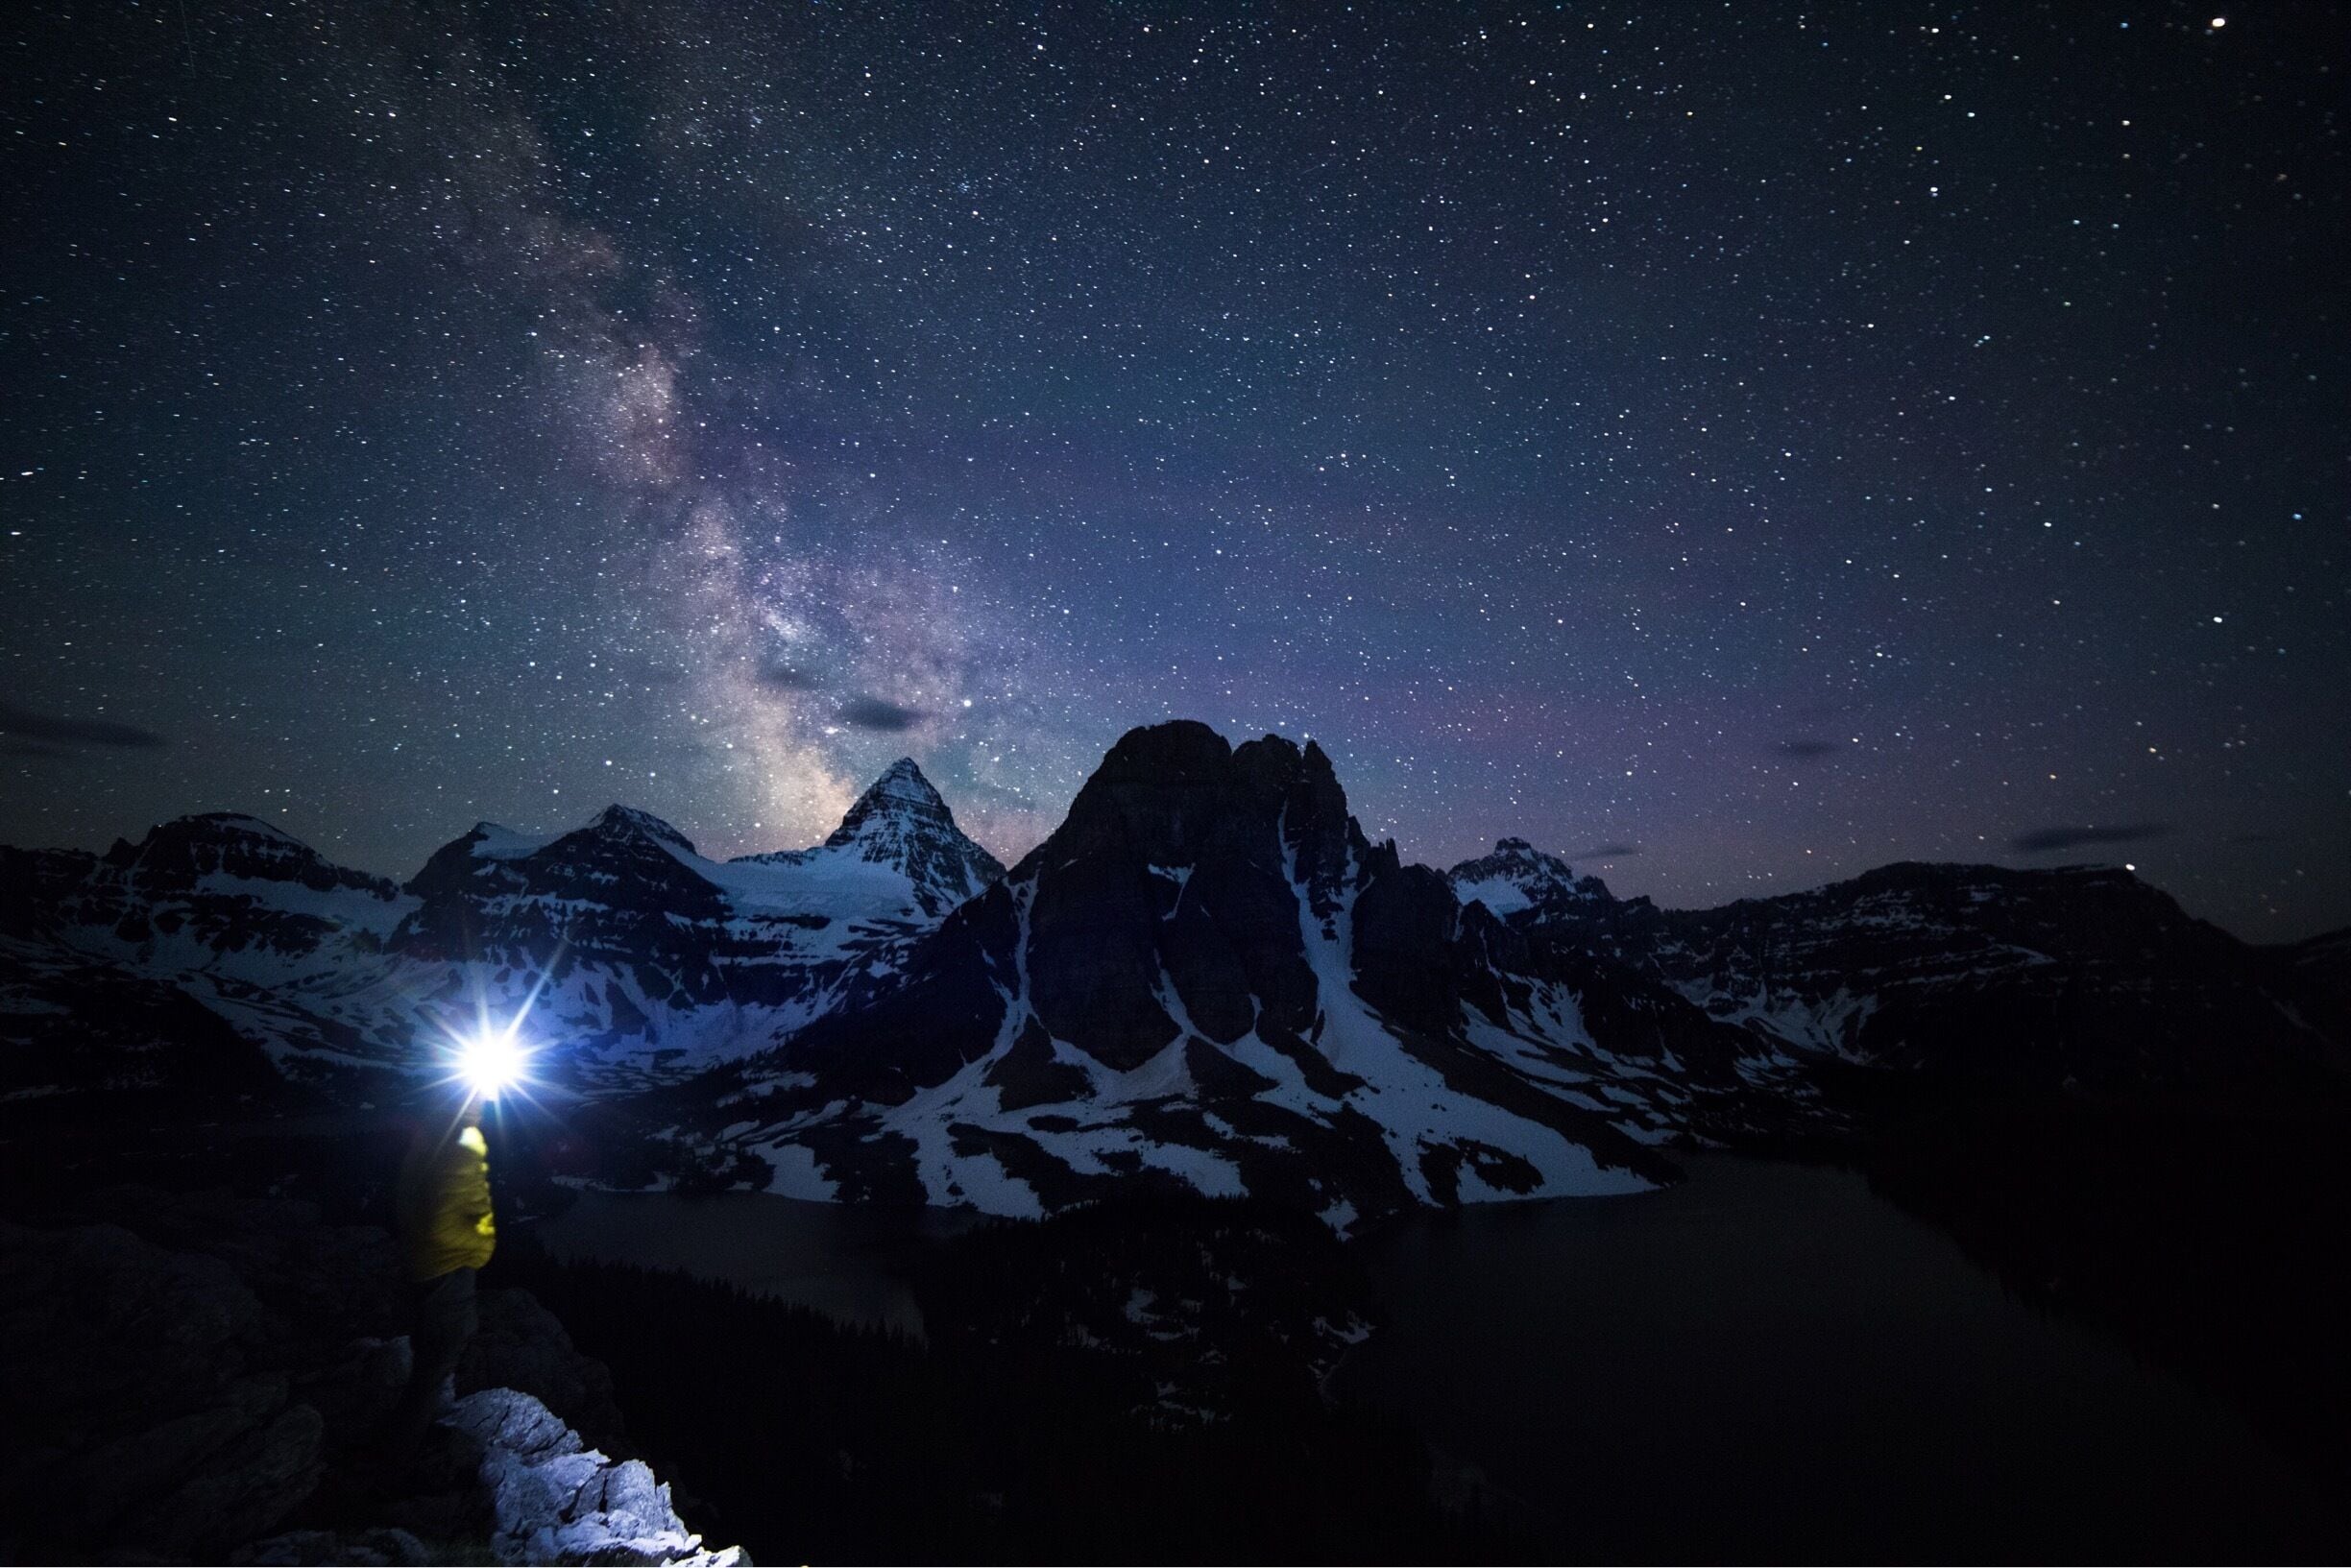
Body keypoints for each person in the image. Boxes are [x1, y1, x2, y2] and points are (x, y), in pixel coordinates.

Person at [380, 1093, 497, 1465]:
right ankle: (397, 1458)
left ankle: (403, 1436)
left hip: (421, 1262)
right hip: (448, 1269)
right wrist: (482, 1248)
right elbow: (447, 1221)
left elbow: (409, 1198)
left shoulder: (432, 1131)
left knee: (428, 1353)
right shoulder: (462, 1138)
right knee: (437, 1361)